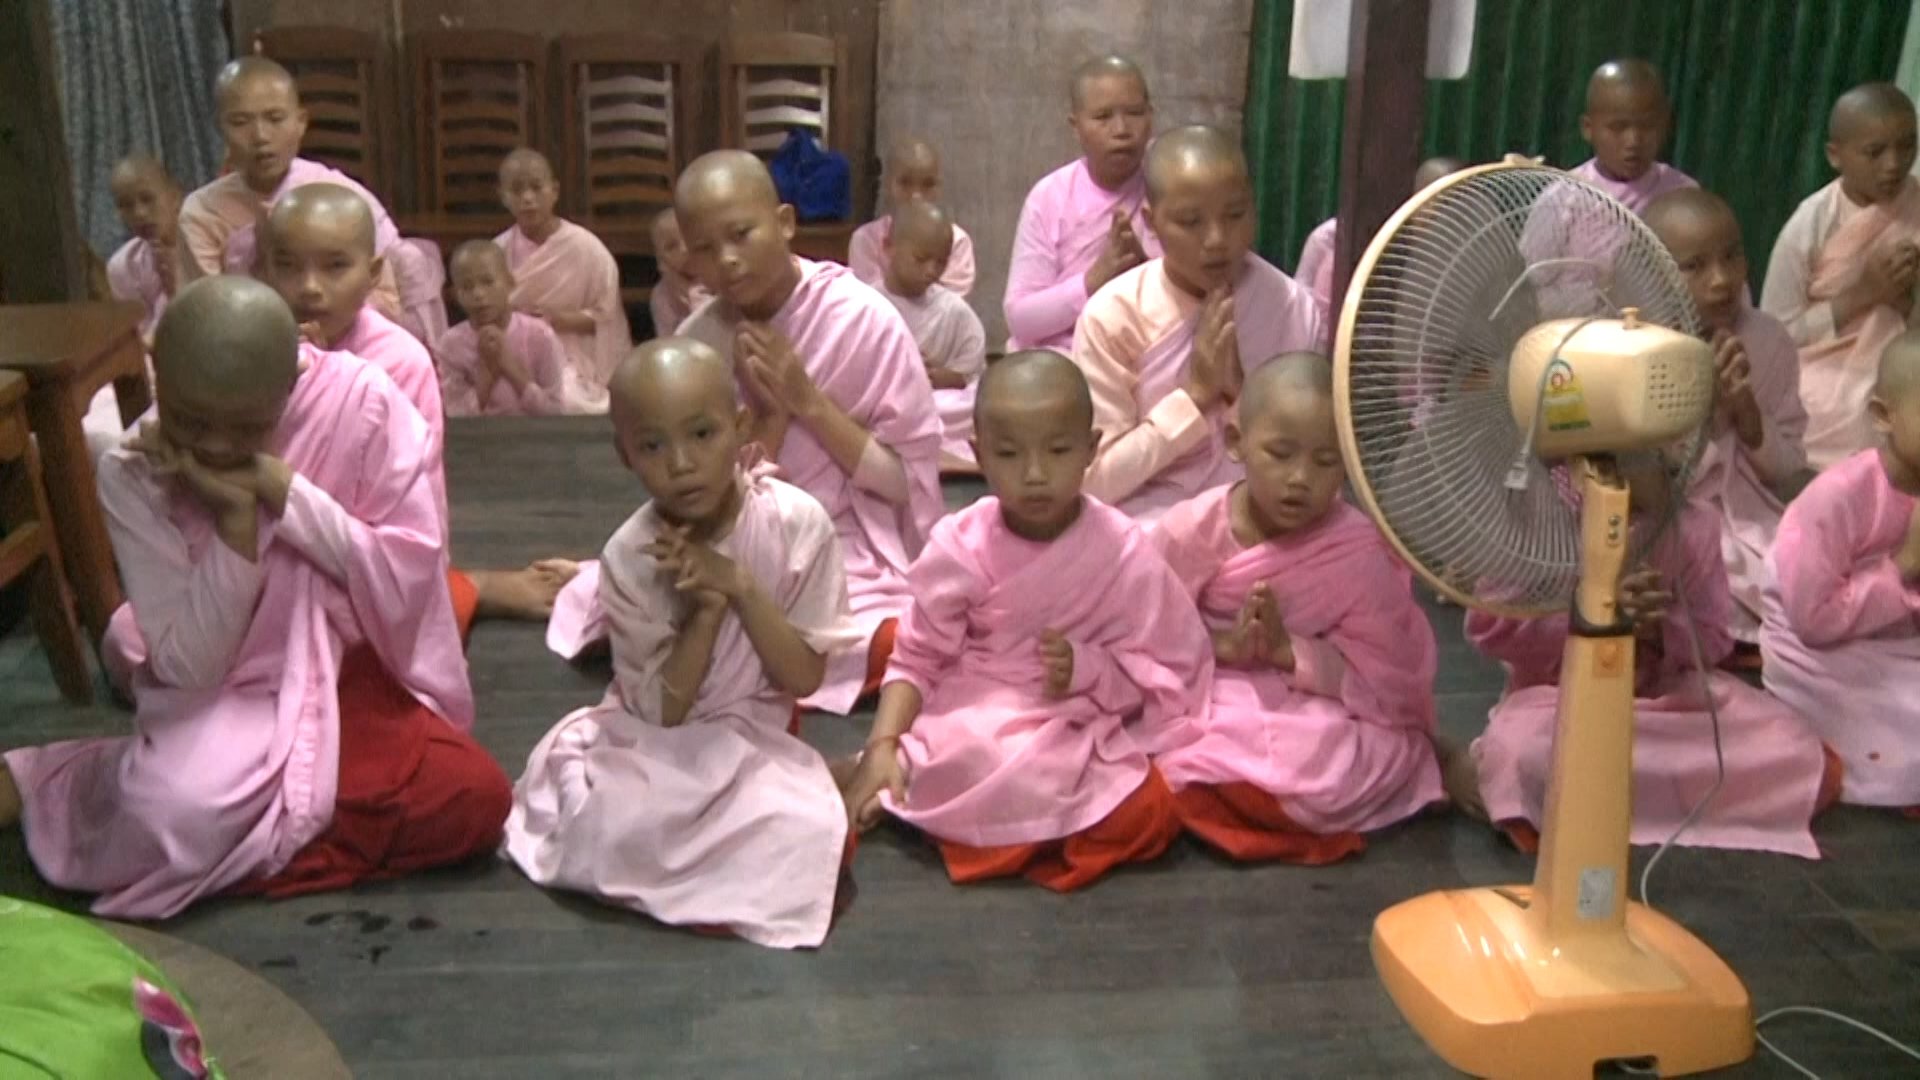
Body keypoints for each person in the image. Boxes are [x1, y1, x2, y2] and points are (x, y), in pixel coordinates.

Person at [0, 277, 510, 918]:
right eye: (191, 421)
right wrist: (236, 531)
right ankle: (85, 783)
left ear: (291, 384)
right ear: (159, 371)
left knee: (478, 799)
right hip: (226, 696)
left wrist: (279, 487)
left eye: (246, 426)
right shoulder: (135, 472)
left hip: (349, 666)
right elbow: (192, 665)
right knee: (175, 812)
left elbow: (408, 574)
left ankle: (238, 849)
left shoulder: (361, 403)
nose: (214, 445)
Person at [552, 149, 942, 713]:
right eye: (705, 249)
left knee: (901, 640)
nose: (728, 261)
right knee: (653, 603)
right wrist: (770, 420)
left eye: (741, 234)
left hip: (844, 540)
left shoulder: (863, 318)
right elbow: (705, 484)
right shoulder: (698, 340)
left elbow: (905, 483)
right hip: (738, 530)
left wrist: (806, 400)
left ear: (783, 223)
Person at [503, 339, 863, 948]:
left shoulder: (794, 522)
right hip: (659, 742)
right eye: (653, 445)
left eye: (702, 434)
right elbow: (661, 712)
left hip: (753, 733)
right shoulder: (627, 554)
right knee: (603, 819)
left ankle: (806, 798)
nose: (682, 463)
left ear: (739, 426)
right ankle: (795, 807)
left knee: (806, 836)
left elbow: (804, 680)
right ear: (625, 456)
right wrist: (703, 611)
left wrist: (741, 586)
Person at [840, 350, 1210, 890]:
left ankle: (948, 808)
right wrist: (883, 742)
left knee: (1150, 810)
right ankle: (904, 777)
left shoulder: (1125, 551)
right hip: (982, 709)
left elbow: (1165, 666)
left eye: (1058, 451)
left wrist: (1086, 670)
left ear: (1091, 449)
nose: (1035, 475)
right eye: (1010, 454)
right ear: (978, 455)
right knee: (977, 750)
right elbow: (919, 655)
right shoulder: (961, 544)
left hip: (1079, 719)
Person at [1462, 463, 1838, 858]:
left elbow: (1713, 641)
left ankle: (1612, 797)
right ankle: (1646, 793)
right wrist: (1592, 612)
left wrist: (1656, 628)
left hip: (1668, 702)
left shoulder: (1693, 524)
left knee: (1786, 742)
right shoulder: (1539, 518)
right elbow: (1490, 627)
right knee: (1523, 752)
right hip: (1555, 702)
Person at [1151, 355, 1444, 861]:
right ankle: (1255, 800)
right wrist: (1226, 645)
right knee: (1200, 733)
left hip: (1314, 699)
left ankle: (1253, 801)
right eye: (1281, 454)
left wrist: (1292, 653)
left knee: (1334, 749)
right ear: (1236, 442)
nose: (1300, 479)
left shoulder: (1354, 547)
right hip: (1217, 683)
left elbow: (1389, 670)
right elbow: (1148, 631)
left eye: (1325, 462)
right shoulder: (1191, 530)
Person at [1072, 124, 1324, 521]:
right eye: (1191, 221)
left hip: (1261, 520)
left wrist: (1243, 394)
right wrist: (1194, 396)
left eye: (1236, 214)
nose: (1216, 239)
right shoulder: (1113, 316)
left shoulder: (1290, 306)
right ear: (1152, 224)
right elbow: (1095, 482)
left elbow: (1309, 460)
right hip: (1146, 527)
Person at [1761, 331, 1920, 815]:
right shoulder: (1839, 496)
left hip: (1896, 645)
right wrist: (1908, 562)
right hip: (1822, 656)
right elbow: (1813, 619)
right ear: (1882, 415)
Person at [1645, 189, 1809, 644]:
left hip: (1751, 512)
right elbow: (1645, 481)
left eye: (1732, 256)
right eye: (1694, 266)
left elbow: (1790, 467)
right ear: (1652, 270)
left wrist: (1747, 416)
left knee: (1809, 569)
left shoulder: (1768, 340)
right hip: (1670, 517)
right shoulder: (1633, 351)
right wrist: (1701, 410)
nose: (1721, 280)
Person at [1762, 83, 1920, 469]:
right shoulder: (1811, 222)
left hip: (1904, 364)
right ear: (1836, 155)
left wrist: (1906, 302)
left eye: (1907, 147)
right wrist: (1864, 293)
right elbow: (1774, 333)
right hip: (1819, 370)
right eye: (1875, 152)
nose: (1893, 165)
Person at [177, 57, 404, 317]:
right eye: (240, 122)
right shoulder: (202, 213)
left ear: (300, 122)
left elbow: (386, 300)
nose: (261, 136)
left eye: (275, 119)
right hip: (251, 345)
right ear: (220, 129)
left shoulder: (341, 195)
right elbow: (210, 313)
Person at [1003, 55, 1162, 354]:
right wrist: (1094, 280)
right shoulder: (1049, 196)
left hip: (1141, 356)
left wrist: (1146, 277)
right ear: (1076, 127)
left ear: (1151, 117)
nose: (1121, 129)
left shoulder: (1169, 186)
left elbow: (1192, 302)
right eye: (1103, 117)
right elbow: (1020, 318)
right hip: (1060, 360)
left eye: (1135, 113)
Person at [495, 148, 632, 414]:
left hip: (569, 351)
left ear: (554, 191)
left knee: (568, 401)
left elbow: (607, 317)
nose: (527, 198)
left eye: (536, 187)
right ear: (503, 197)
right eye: (517, 190)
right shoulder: (498, 251)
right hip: (514, 352)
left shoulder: (586, 248)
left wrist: (557, 320)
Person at [869, 200, 988, 474]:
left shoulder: (955, 311)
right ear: (888, 247)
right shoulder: (865, 304)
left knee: (973, 406)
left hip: (942, 406)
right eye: (921, 259)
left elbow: (973, 378)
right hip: (888, 404)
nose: (931, 271)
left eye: (941, 262)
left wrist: (945, 377)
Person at [1294, 156, 1467, 335]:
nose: (1452, 215)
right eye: (1443, 203)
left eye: (1461, 205)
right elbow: (1312, 318)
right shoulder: (1336, 244)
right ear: (1416, 198)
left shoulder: (1472, 260)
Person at [437, 240, 565, 416]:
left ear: (510, 283)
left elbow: (556, 413)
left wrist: (511, 367)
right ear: (455, 295)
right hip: (477, 440)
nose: (478, 294)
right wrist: (485, 376)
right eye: (467, 287)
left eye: (488, 282)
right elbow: (455, 416)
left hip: (535, 438)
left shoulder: (541, 336)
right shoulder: (450, 345)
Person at [847, 138, 977, 297]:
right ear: (888, 184)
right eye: (905, 183)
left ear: (939, 187)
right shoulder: (865, 240)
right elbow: (870, 301)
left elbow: (950, 306)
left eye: (928, 184)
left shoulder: (958, 242)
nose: (916, 196)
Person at [1567, 60, 1698, 214]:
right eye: (1618, 128)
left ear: (1665, 126)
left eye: (1647, 126)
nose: (1633, 141)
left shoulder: (1683, 195)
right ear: (1588, 128)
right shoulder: (1564, 198)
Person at [105, 155, 186, 341]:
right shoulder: (122, 266)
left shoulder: (205, 242)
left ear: (174, 196)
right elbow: (139, 336)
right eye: (125, 205)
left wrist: (176, 286)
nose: (139, 213)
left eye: (147, 199)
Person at [647, 206, 709, 337]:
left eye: (689, 238)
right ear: (660, 260)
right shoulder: (661, 295)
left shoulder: (718, 279)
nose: (684, 249)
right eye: (671, 246)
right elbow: (668, 344)